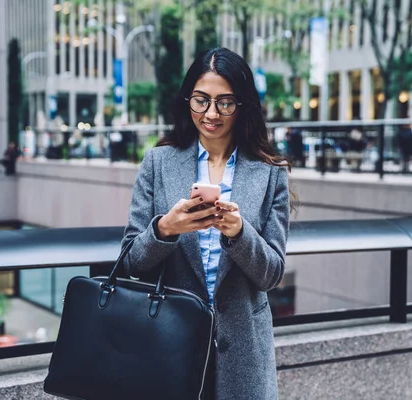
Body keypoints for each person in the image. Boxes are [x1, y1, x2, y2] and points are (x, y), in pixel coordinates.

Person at [121, 47, 293, 400]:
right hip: (171, 346)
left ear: (242, 105)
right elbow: (130, 262)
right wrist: (165, 229)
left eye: (225, 102)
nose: (211, 113)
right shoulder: (158, 163)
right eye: (201, 100)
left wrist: (239, 233)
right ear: (188, 100)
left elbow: (272, 274)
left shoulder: (271, 173)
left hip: (244, 353)